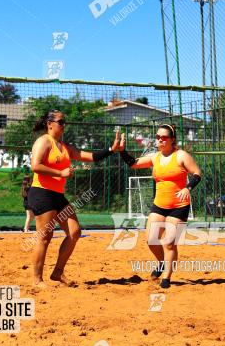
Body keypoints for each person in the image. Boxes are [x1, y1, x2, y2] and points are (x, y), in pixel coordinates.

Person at [28, 111, 122, 287]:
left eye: (65, 122)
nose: (64, 125)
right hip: (42, 193)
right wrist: (60, 173)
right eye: (61, 122)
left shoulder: (65, 147)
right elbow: (36, 166)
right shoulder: (43, 141)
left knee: (74, 232)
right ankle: (36, 280)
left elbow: (90, 157)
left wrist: (111, 149)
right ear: (49, 124)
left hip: (57, 195)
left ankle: (57, 273)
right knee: (44, 237)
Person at [119, 123, 201, 288]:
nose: (160, 140)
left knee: (169, 243)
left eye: (164, 137)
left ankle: (166, 278)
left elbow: (197, 174)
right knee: (151, 240)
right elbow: (133, 163)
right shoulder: (155, 157)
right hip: (160, 205)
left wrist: (188, 187)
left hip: (179, 206)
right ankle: (162, 262)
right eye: (158, 137)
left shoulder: (181, 155)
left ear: (172, 140)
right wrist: (121, 151)